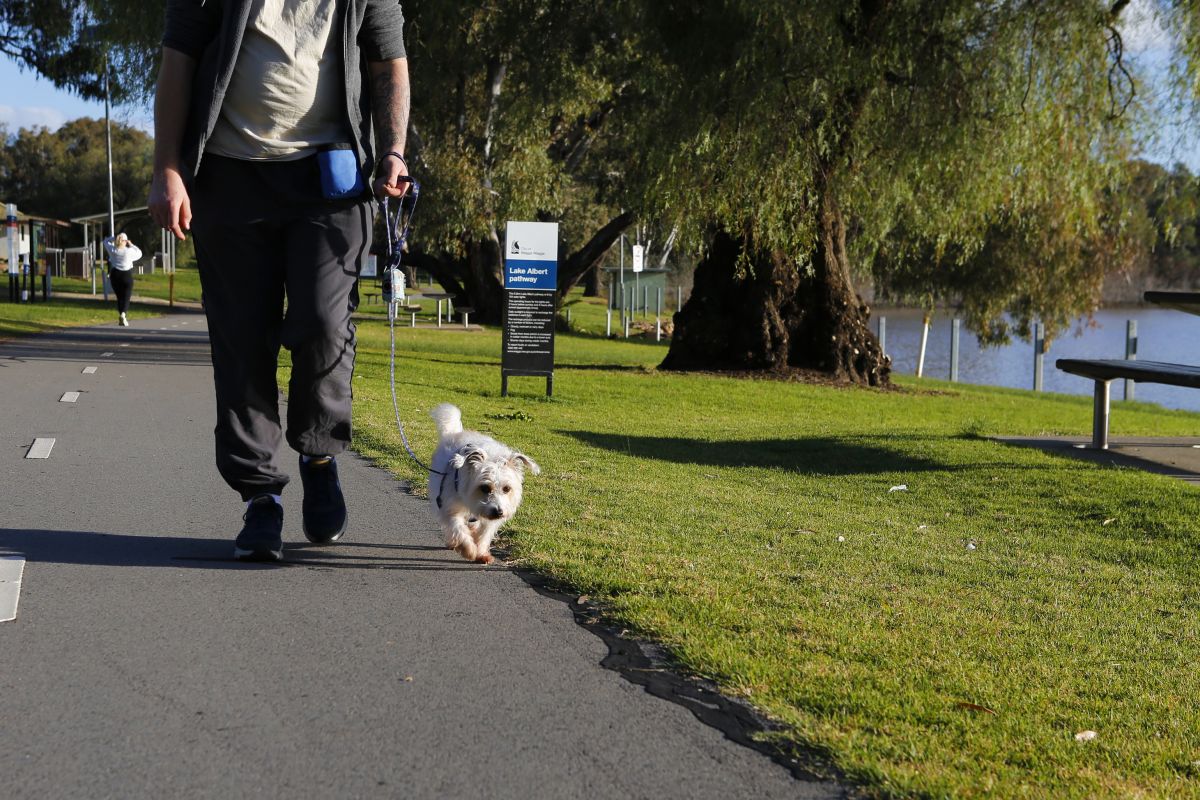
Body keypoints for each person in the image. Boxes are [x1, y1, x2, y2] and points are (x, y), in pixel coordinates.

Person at [148, 0, 413, 562]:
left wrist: (392, 151)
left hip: (330, 175)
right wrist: (167, 169)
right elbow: (178, 62)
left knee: (322, 321)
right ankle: (260, 497)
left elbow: (389, 63)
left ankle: (318, 454)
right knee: (242, 340)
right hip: (228, 174)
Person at [103, 232, 141, 326]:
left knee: (119, 297)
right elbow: (139, 253)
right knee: (126, 297)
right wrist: (131, 244)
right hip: (126, 275)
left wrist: (113, 238)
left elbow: (105, 241)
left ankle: (121, 316)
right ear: (125, 241)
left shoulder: (113, 250)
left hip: (115, 275)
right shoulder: (129, 251)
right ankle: (123, 314)